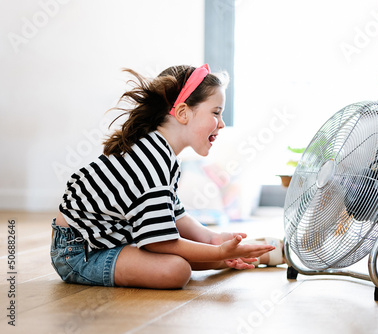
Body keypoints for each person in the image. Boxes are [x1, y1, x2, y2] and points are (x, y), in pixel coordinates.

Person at [51, 64, 282, 290]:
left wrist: (213, 238)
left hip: (105, 238)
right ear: (182, 113)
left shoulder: (161, 153)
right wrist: (218, 252)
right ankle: (233, 257)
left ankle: (240, 256)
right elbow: (159, 241)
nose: (221, 124)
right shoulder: (151, 159)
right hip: (79, 250)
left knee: (184, 259)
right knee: (176, 270)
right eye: (216, 113)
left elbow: (176, 215)